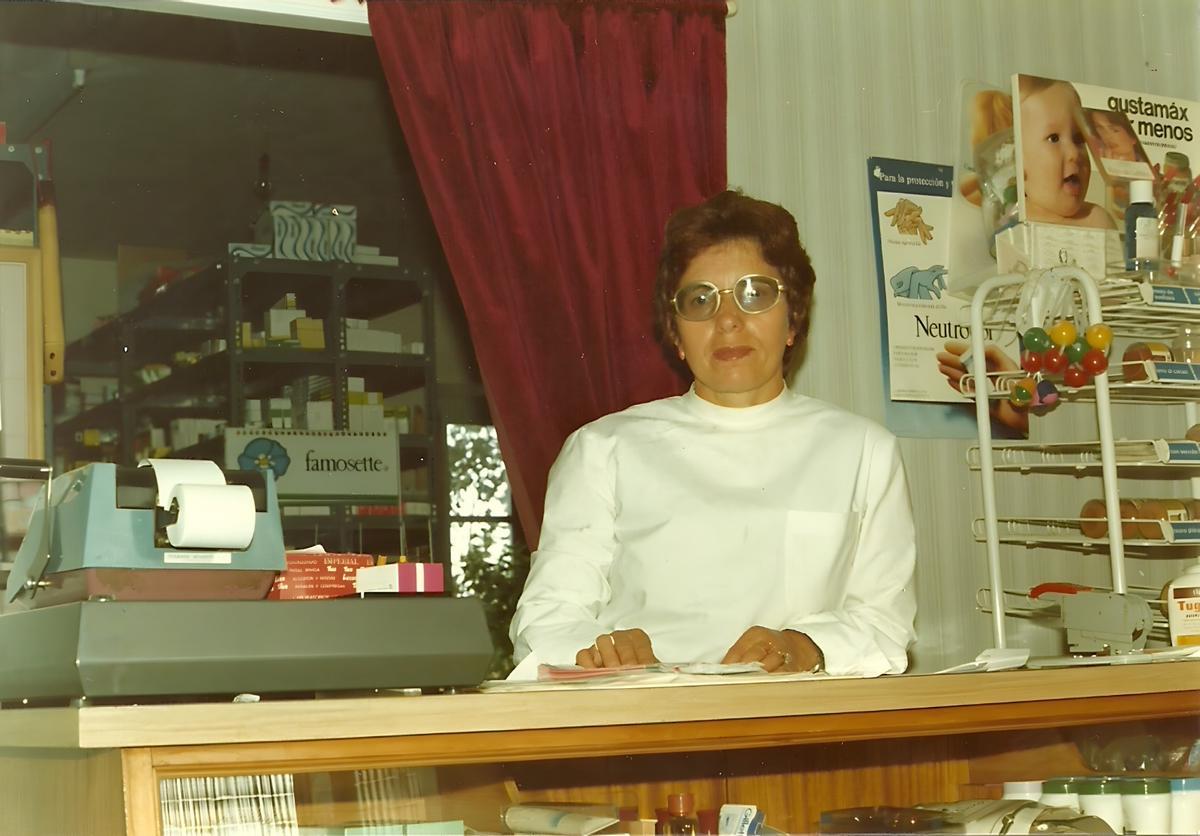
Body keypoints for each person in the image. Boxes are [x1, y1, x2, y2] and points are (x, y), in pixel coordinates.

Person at [507, 190, 917, 680]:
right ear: (677, 335)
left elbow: (885, 621)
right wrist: (600, 651)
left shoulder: (863, 450)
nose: (727, 321)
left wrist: (805, 645)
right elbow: (546, 618)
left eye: (755, 294)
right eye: (700, 300)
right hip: (645, 714)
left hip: (796, 714)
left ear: (793, 320)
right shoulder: (602, 449)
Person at [1017, 76, 1114, 230]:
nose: (1074, 152)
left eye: (1079, 138)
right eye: (1053, 138)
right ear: (1017, 160)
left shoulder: (1096, 220)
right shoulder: (1014, 223)